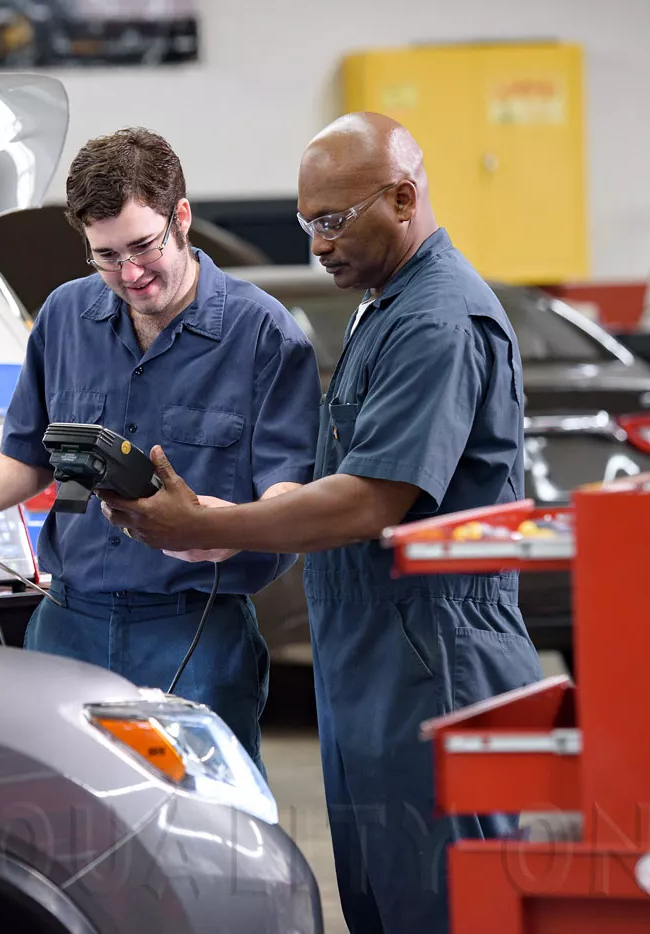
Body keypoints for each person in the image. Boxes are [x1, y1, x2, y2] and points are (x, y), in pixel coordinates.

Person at [98, 112, 544, 934]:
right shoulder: (386, 304)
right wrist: (228, 517)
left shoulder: (435, 320)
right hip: (376, 655)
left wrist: (210, 519)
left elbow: (371, 498)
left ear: (405, 198)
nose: (318, 246)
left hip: (433, 657)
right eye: (308, 224)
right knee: (381, 897)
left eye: (334, 222)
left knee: (443, 903)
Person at [0, 127, 321, 775]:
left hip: (194, 630)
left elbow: (289, 499)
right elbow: (26, 457)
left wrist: (215, 530)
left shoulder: (263, 335)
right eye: (104, 255)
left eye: (144, 246)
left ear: (181, 217)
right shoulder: (65, 317)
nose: (129, 274)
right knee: (62, 813)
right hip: (68, 619)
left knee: (204, 827)